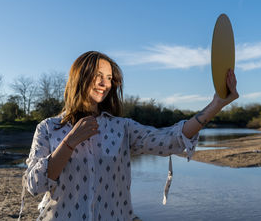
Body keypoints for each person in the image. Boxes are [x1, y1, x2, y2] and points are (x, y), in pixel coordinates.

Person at [19, 51, 238, 221]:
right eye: (98, 76)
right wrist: (69, 142)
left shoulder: (121, 128)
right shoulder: (48, 128)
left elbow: (169, 139)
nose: (105, 84)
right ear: (79, 76)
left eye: (109, 78)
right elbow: (34, 186)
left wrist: (216, 105)